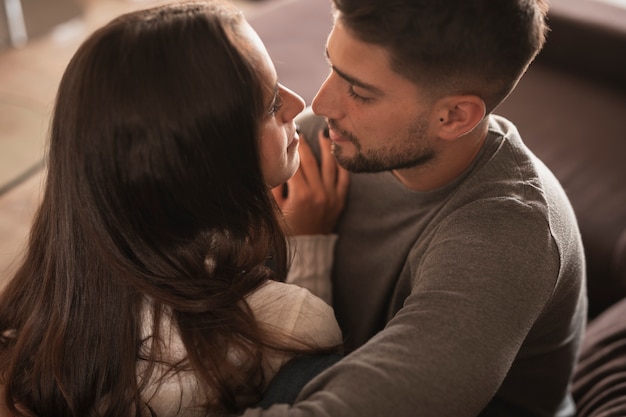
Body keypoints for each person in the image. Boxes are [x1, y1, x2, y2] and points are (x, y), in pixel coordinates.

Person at [0, 1, 349, 416]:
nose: (298, 103)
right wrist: (308, 253)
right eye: (271, 104)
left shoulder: (33, 309)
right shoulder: (290, 325)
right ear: (207, 164)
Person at [241, 0, 587, 416]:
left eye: (360, 92)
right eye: (332, 65)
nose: (321, 103)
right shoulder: (330, 143)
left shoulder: (510, 235)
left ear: (454, 116)